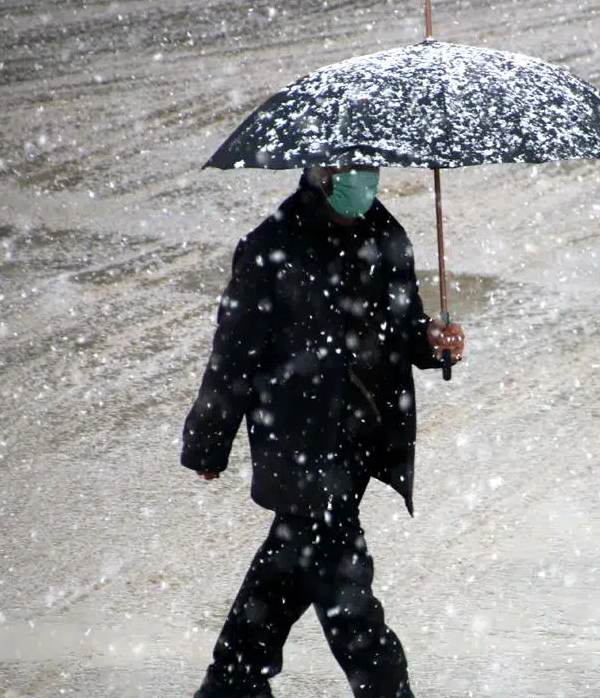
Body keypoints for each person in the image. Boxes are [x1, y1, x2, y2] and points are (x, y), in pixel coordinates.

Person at [180, 164, 465, 698]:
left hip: (361, 437)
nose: (363, 179)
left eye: (369, 168)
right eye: (348, 168)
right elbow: (233, 356)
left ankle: (230, 685)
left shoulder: (387, 238)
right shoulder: (271, 248)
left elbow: (403, 331)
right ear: (318, 171)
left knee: (288, 567)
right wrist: (208, 438)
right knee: (346, 595)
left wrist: (433, 342)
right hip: (297, 440)